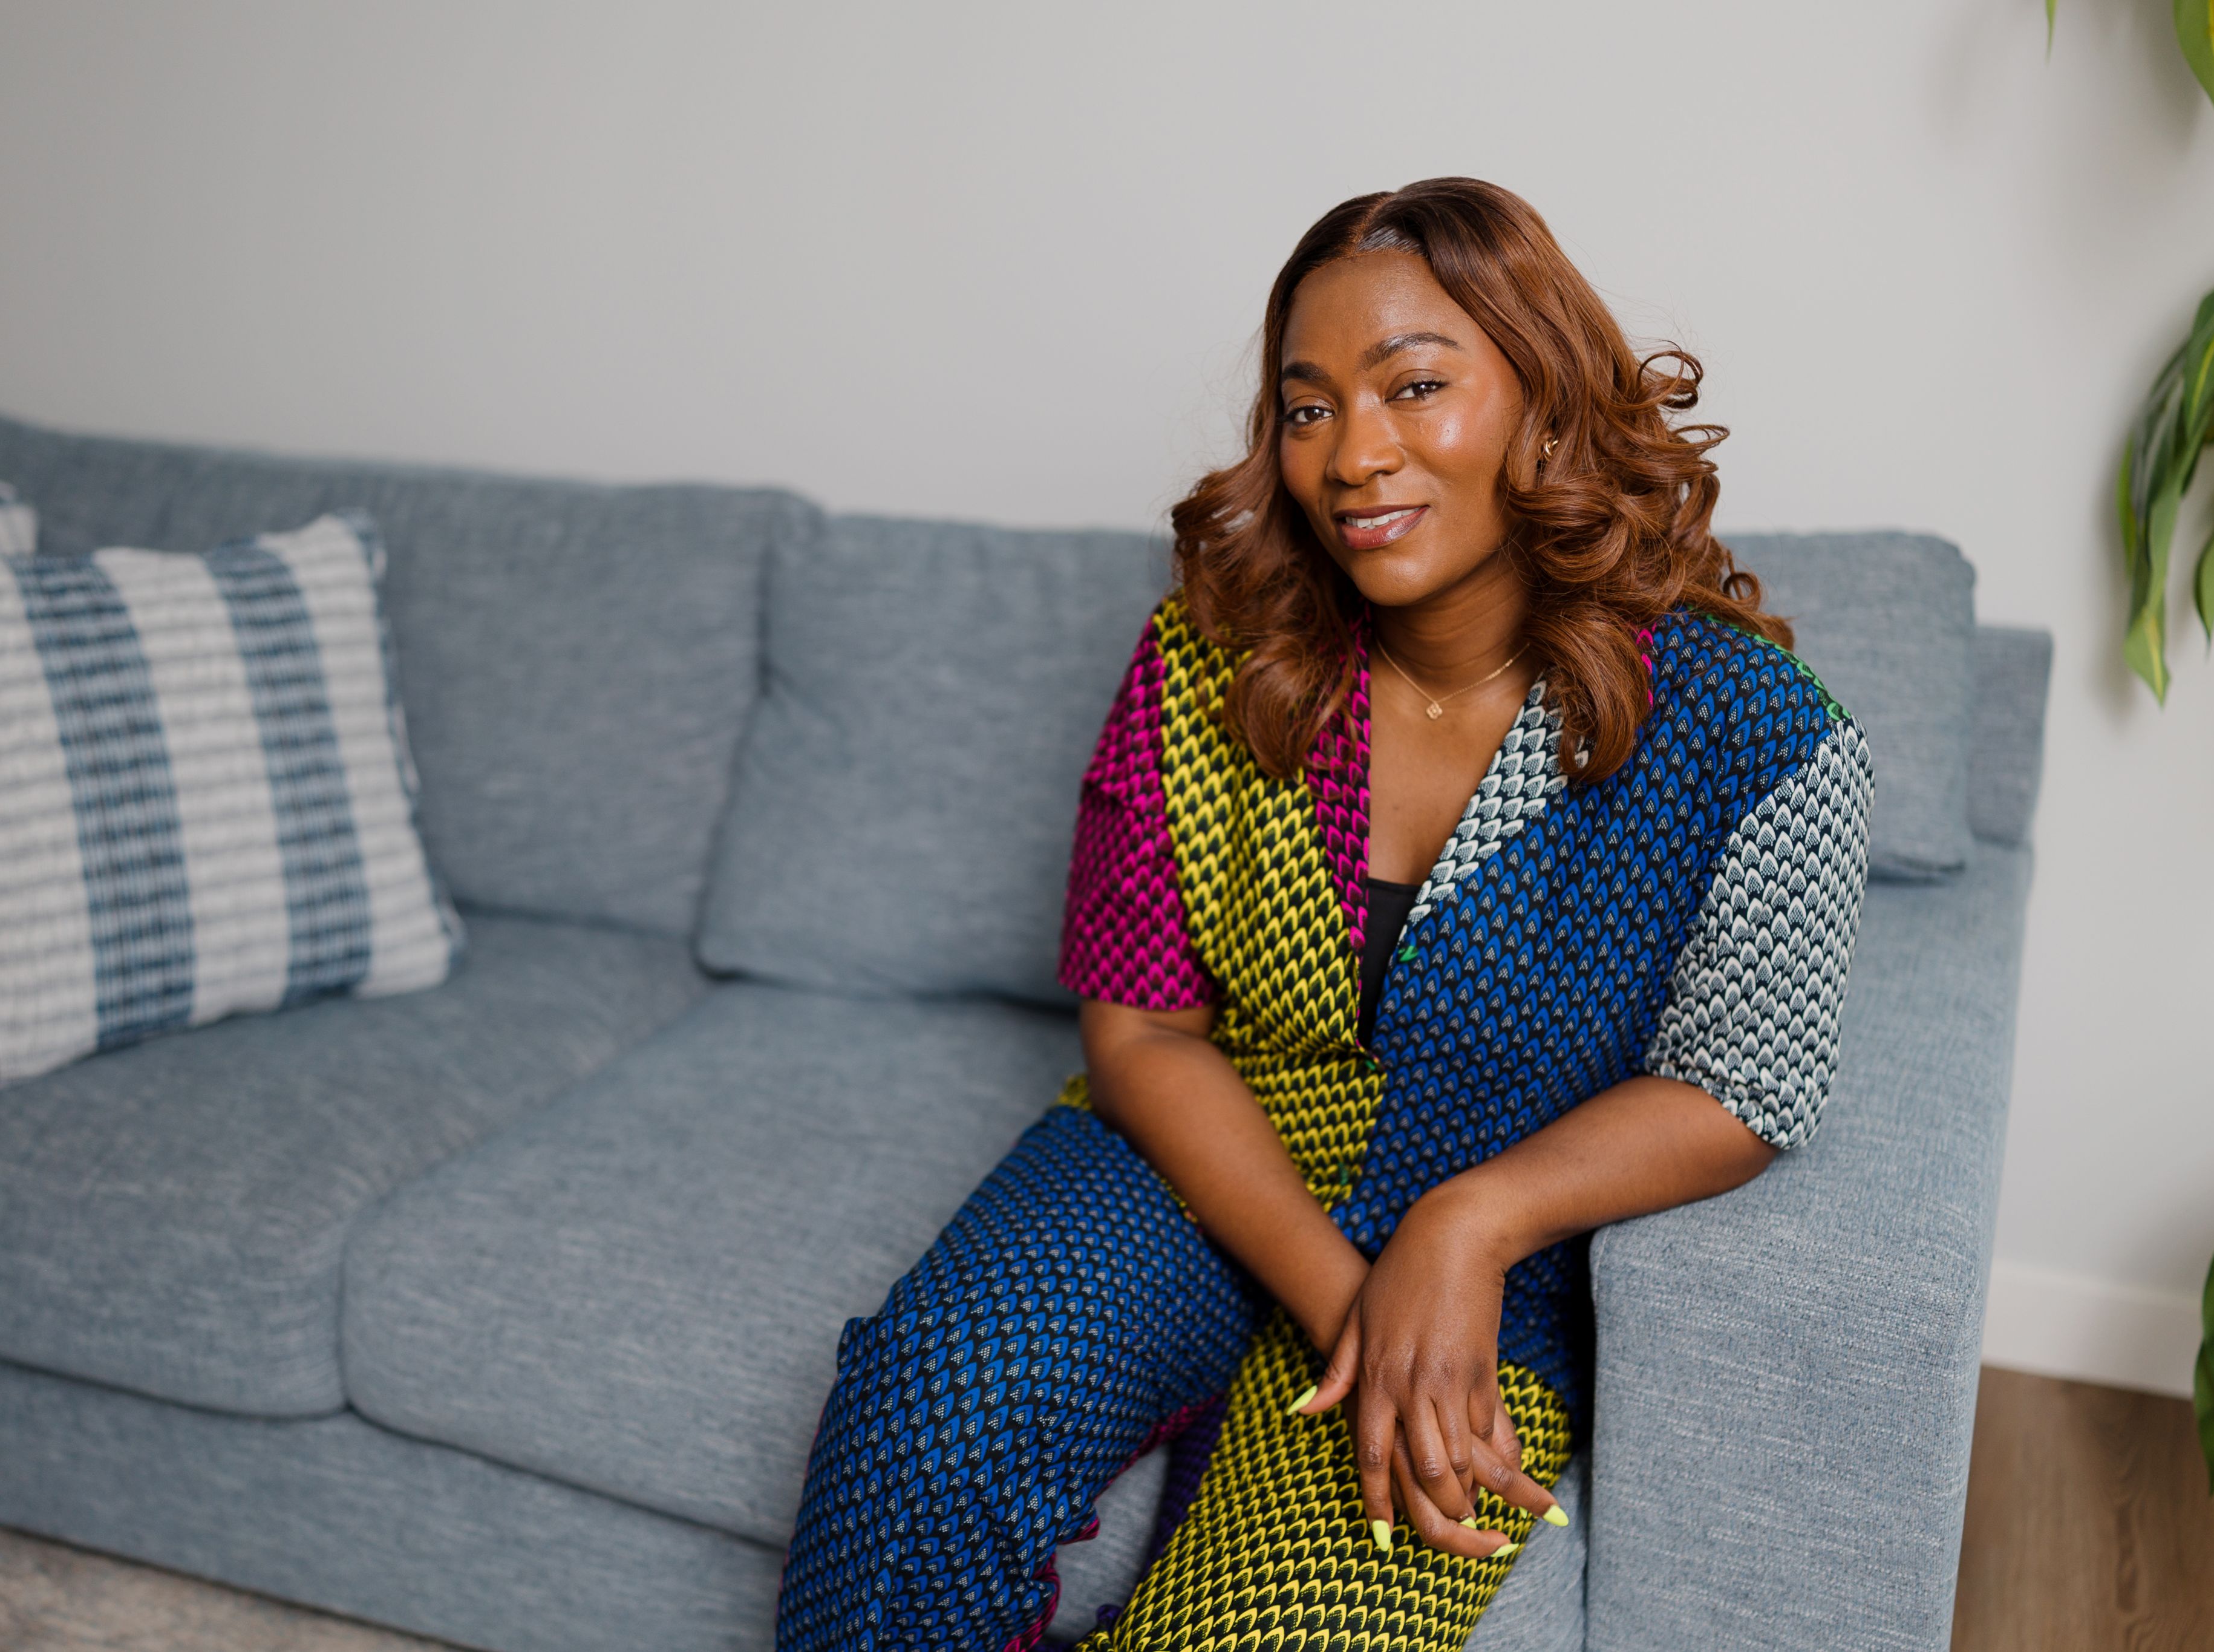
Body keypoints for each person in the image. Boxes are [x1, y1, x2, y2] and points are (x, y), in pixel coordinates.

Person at [774, 175, 1873, 1652]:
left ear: (1541, 397)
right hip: (1186, 1160)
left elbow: (1745, 1079)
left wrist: (1468, 1220)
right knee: (922, 1418)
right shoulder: (1207, 660)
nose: (1352, 455)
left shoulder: (1757, 734)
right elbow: (1142, 1033)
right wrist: (1348, 1301)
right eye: (1308, 408)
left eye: (1413, 386)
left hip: (1496, 1275)